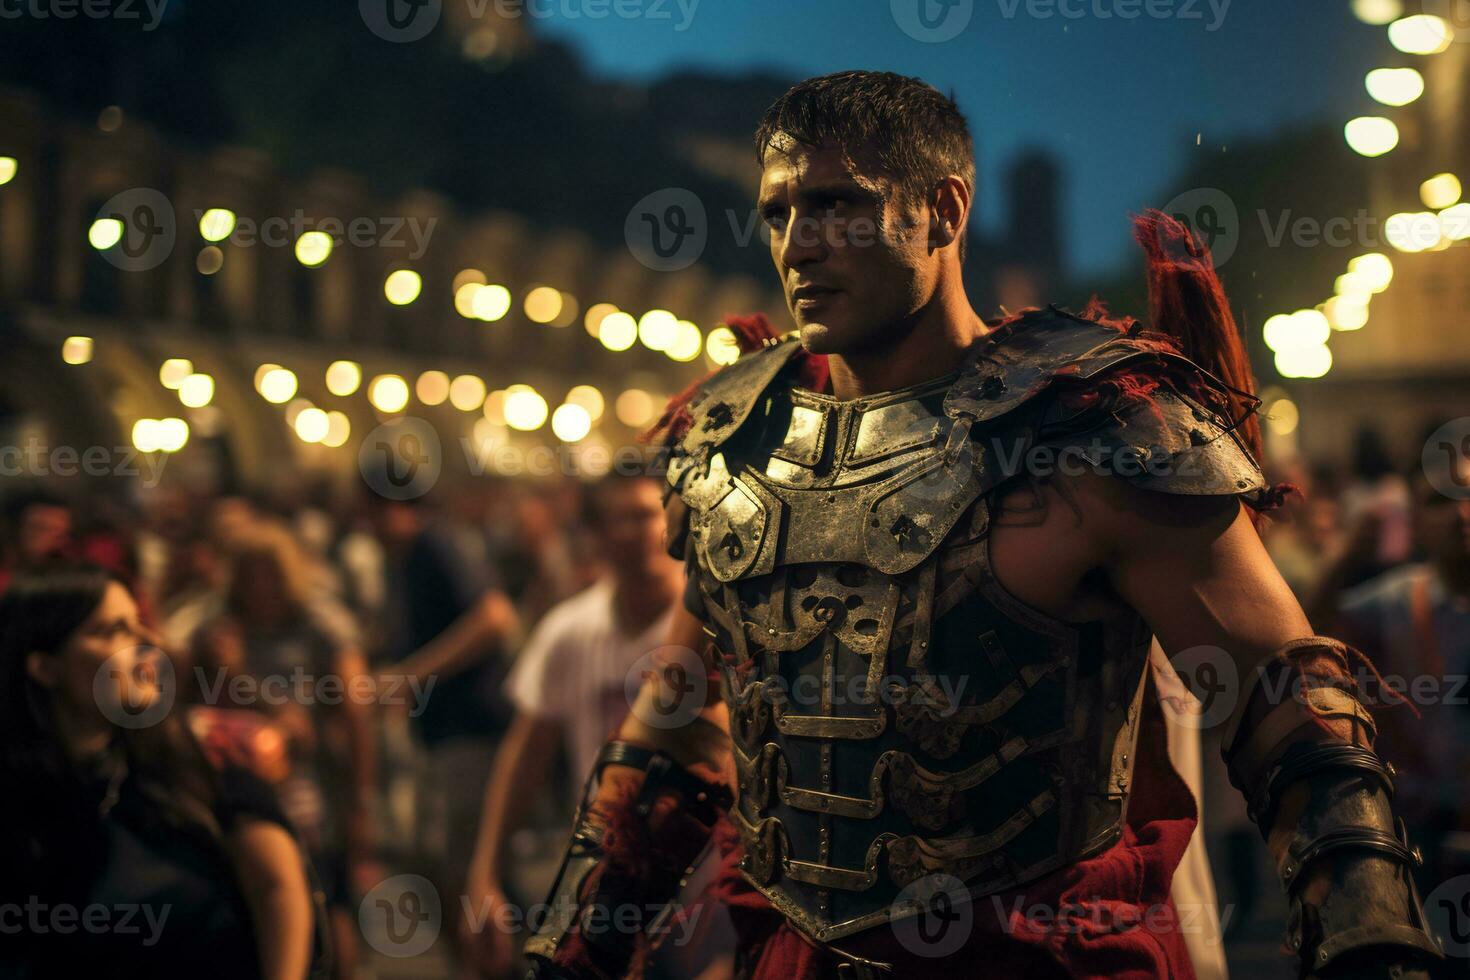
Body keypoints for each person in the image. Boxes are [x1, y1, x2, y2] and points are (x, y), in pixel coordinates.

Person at [519, 71, 1445, 980]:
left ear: (945, 210)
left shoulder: (1096, 425)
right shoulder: (738, 437)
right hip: (791, 954)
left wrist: (1372, 945)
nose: (799, 245)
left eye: (839, 205)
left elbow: (1289, 710)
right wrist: (569, 952)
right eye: (778, 213)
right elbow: (680, 727)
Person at [0, 564, 316, 979]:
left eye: (140, 624)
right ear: (44, 667)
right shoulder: (20, 799)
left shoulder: (195, 754)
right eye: (115, 630)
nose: (150, 642)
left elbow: (277, 888)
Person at [462, 472, 685, 977]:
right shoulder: (570, 631)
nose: (635, 532)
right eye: (617, 519)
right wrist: (485, 872)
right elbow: (525, 756)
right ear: (595, 534)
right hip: (606, 874)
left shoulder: (712, 620)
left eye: (646, 514)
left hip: (704, 872)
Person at [190, 520, 375, 980]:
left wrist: (362, 800)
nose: (259, 586)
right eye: (248, 574)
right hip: (244, 783)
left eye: (268, 572)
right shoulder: (219, 625)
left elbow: (338, 717)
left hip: (314, 784)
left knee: (329, 897)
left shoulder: (320, 622)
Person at [1332, 463, 1470, 887]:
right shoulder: (1396, 599)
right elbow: (1308, 630)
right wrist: (1345, 556)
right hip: (1423, 824)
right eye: (1440, 501)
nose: (1461, 514)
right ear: (1415, 523)